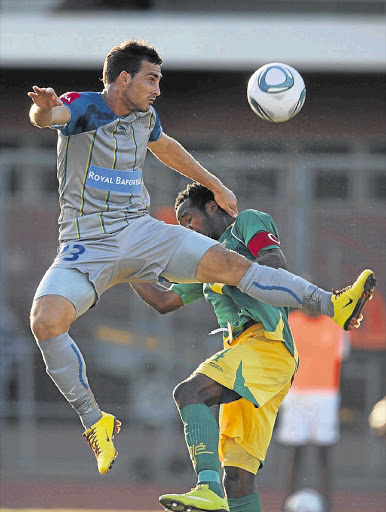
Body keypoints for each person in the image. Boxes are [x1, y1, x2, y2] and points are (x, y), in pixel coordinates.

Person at [27, 39, 375, 477]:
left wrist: (216, 186)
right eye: (151, 79)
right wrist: (42, 110)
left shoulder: (145, 117)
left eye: (159, 80)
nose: (156, 89)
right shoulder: (85, 107)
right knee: (45, 321)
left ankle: (332, 303)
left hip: (139, 231)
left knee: (232, 266)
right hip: (85, 246)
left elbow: (167, 147)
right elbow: (50, 116)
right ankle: (95, 420)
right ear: (123, 77)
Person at [130, 183, 368, 512]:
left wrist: (235, 272)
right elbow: (164, 300)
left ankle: (206, 488)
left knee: (189, 393)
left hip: (267, 344)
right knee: (238, 479)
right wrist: (125, 265)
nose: (187, 229)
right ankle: (217, 488)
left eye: (189, 219)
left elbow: (274, 260)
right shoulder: (205, 261)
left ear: (212, 208)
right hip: (247, 352)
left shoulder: (245, 224)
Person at [275, 308, 351, 512]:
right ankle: (286, 502)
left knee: (324, 452)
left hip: (325, 396)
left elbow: (341, 356)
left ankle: (328, 504)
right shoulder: (291, 322)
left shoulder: (337, 325)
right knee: (294, 452)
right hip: (296, 394)